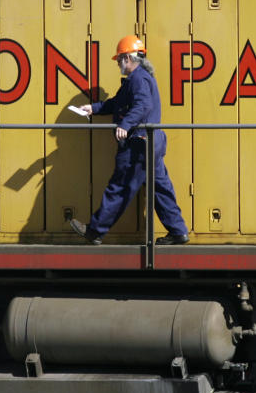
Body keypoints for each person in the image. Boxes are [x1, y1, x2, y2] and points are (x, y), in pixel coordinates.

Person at [69, 35, 189, 246]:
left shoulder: (138, 79)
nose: (118, 65)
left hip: (139, 143)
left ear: (127, 58)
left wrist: (125, 125)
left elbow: (143, 106)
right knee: (160, 188)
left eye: (118, 60)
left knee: (121, 185)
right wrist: (93, 109)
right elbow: (117, 103)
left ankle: (95, 231)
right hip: (152, 142)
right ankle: (178, 231)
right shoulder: (139, 79)